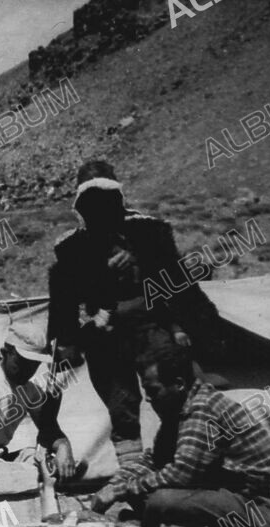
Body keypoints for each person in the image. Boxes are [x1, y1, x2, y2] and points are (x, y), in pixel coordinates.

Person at [47, 160, 220, 460]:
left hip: (152, 329)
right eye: (92, 198)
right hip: (106, 335)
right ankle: (133, 482)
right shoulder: (72, 248)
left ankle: (185, 466)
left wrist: (200, 325)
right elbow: (64, 299)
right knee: (122, 410)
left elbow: (178, 281)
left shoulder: (149, 231)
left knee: (172, 399)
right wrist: (66, 342)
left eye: (106, 196)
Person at [92, 344, 270, 527]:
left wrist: (120, 490)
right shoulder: (178, 408)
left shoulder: (202, 408)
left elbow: (182, 474)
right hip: (228, 494)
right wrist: (113, 486)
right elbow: (155, 460)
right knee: (144, 492)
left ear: (179, 384)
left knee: (159, 499)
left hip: (258, 507)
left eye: (153, 390)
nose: (147, 398)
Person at [0, 321, 78, 479]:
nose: (28, 370)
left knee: (34, 457)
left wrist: (64, 446)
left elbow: (48, 429)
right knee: (12, 486)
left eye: (34, 364)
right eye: (22, 362)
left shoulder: (30, 390)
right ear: (5, 352)